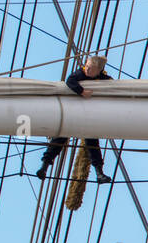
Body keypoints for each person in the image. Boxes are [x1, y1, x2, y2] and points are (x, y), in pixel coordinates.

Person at [36, 55, 113, 184]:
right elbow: (70, 80)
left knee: (93, 144)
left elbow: (112, 83)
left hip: (88, 117)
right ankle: (43, 168)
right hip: (72, 114)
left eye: (91, 69)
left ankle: (99, 173)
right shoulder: (80, 73)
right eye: (87, 67)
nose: (87, 70)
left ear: (98, 71)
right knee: (58, 141)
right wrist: (82, 91)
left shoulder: (102, 77)